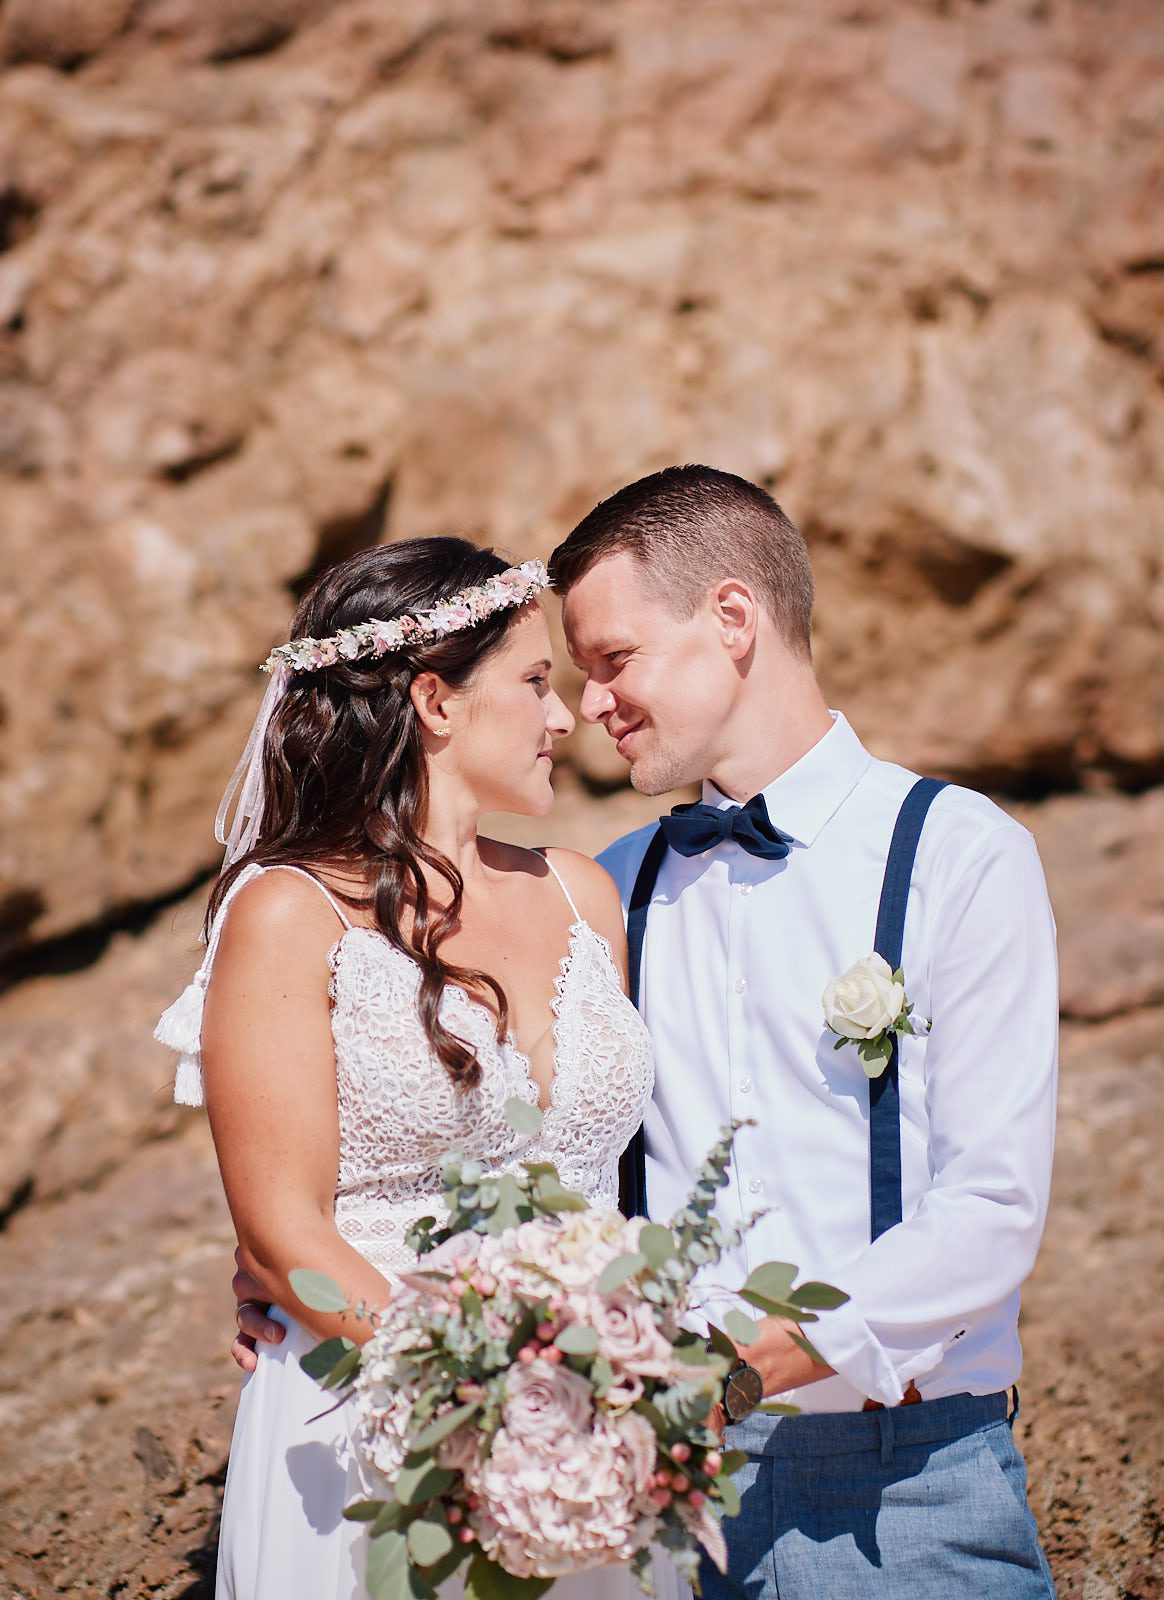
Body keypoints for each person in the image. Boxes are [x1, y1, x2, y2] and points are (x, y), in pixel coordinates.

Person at [233, 465, 1060, 1598]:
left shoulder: (959, 857)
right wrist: (294, 1259)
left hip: (894, 1485)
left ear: (732, 619)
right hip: (633, 1496)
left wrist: (734, 1369)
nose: (589, 707)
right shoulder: (609, 889)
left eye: (612, 661)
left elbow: (995, 1209)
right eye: (561, 676)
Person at [156, 537, 678, 1600]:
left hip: (588, 1421)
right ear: (435, 702)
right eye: (536, 681)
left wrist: (594, 1394)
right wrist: (483, 1392)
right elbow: (279, 1231)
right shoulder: (289, 913)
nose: (564, 714)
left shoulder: (587, 895)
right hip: (371, 1421)